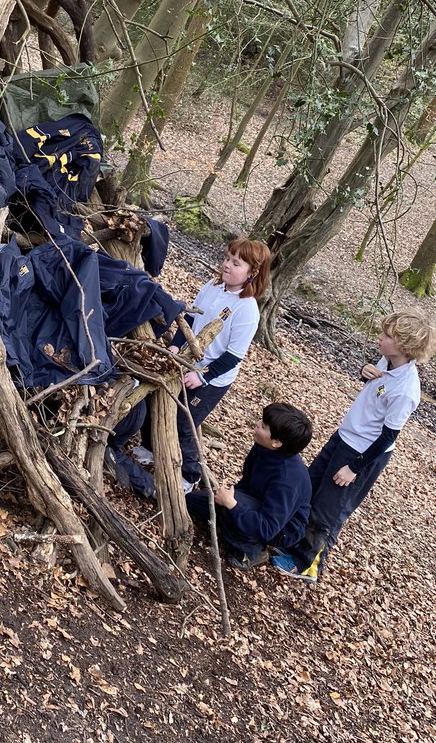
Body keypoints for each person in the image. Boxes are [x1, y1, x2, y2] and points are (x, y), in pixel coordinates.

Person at [273, 308, 436, 583]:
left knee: (328, 509)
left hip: (361, 453)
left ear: (405, 346)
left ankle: (307, 564)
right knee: (309, 489)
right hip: (344, 436)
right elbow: (372, 385)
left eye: (387, 336)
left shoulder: (406, 391)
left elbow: (388, 437)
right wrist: (364, 372)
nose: (380, 338)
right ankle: (291, 542)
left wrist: (354, 468)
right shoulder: (388, 361)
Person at [175, 237, 272, 487]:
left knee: (185, 423)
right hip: (186, 360)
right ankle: (153, 450)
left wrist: (202, 375)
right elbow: (189, 318)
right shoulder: (211, 286)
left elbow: (233, 356)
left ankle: (189, 476)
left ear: (253, 272)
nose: (227, 265)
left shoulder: (247, 309)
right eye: (228, 258)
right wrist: (175, 345)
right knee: (164, 403)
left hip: (212, 378)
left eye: (236, 263)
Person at [186, 402, 313, 569]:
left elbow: (268, 528)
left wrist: (232, 505)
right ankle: (230, 523)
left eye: (264, 426)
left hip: (280, 529)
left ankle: (252, 551)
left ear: (276, 442)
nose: (258, 424)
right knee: (190, 501)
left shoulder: (287, 480)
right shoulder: (263, 447)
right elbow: (247, 481)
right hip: (255, 503)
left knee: (228, 507)